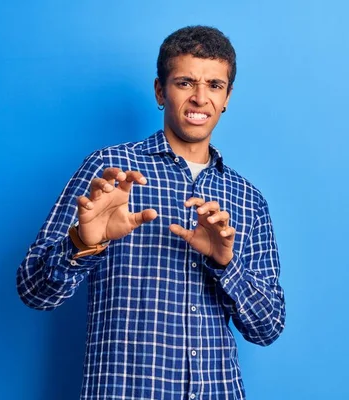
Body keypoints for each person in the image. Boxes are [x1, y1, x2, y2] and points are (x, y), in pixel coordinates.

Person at [16, 25, 285, 400]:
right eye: (185, 82)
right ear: (160, 90)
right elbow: (34, 291)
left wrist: (226, 265)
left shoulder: (247, 199)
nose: (200, 98)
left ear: (227, 97)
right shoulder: (109, 169)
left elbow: (268, 327)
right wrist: (82, 242)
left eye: (215, 85)